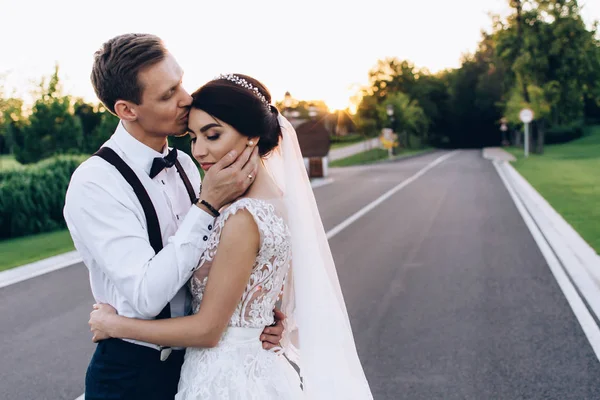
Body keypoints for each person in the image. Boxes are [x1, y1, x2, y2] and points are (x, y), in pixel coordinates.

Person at [88, 73, 374, 399]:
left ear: (252, 136)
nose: (198, 150)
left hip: (228, 379)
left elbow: (208, 330)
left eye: (212, 135)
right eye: (194, 137)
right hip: (246, 366)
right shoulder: (273, 201)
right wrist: (264, 319)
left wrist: (113, 326)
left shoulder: (243, 216)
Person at [63, 34, 284, 400]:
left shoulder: (187, 163)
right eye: (168, 94)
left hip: (201, 366)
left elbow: (219, 258)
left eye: (180, 81)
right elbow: (147, 296)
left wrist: (253, 313)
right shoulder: (95, 183)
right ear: (126, 110)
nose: (186, 98)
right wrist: (206, 206)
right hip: (133, 376)